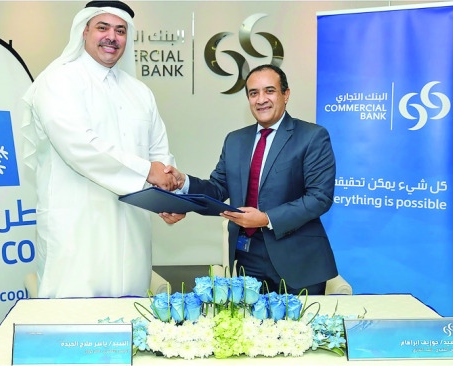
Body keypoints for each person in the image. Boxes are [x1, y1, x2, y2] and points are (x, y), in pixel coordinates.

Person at [21, 1, 180, 298]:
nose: (112, 37)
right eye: (103, 27)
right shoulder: (59, 80)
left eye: (120, 30)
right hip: (77, 230)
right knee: (73, 317)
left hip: (132, 230)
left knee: (130, 312)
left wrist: (169, 197)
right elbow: (79, 146)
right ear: (84, 31)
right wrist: (149, 172)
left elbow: (159, 152)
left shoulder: (140, 92)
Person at [160, 64, 338, 295]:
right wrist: (183, 183)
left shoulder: (312, 136)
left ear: (286, 94)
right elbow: (218, 189)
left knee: (298, 321)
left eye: (269, 91)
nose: (261, 99)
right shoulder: (235, 140)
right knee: (249, 320)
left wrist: (266, 218)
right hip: (247, 259)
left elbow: (319, 198)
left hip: (299, 261)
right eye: (254, 93)